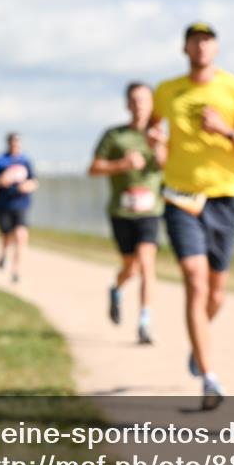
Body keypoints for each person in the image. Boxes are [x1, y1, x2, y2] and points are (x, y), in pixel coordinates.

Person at [152, 22, 234, 410]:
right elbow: (155, 129)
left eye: (207, 40)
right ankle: (209, 376)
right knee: (195, 282)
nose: (201, 47)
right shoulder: (167, 91)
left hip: (223, 199)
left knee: (216, 293)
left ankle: (197, 340)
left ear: (216, 48)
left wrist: (225, 131)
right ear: (184, 47)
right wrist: (157, 146)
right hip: (180, 198)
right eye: (194, 40)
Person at [90, 82, 166, 345]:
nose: (139, 105)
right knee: (130, 268)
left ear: (152, 103)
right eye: (134, 100)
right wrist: (122, 164)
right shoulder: (115, 136)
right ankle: (116, 289)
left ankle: (144, 322)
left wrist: (160, 147)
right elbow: (94, 168)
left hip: (150, 210)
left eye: (144, 100)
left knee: (147, 264)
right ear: (127, 104)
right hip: (121, 210)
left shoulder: (160, 135)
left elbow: (170, 166)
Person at [0, 133, 38, 284]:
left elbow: (34, 181)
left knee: (21, 236)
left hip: (21, 203)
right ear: (8, 144)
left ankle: (16, 270)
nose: (16, 146)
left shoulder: (25, 161)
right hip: (4, 203)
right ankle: (3, 254)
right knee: (6, 235)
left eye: (18, 143)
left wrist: (28, 186)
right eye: (13, 143)